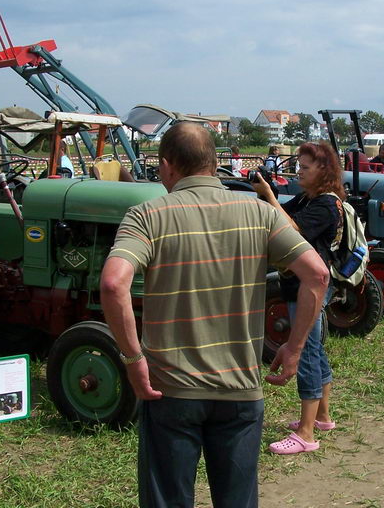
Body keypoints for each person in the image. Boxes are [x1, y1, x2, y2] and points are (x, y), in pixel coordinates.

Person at [100, 122, 328, 508]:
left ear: (168, 165)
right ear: (211, 161)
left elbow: (112, 284)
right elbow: (318, 274)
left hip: (170, 389)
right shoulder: (260, 213)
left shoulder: (147, 216)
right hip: (241, 389)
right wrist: (293, 348)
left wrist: (133, 358)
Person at [251, 141, 343, 455]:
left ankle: (305, 434)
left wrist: (270, 197)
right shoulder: (308, 197)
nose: (299, 172)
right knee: (316, 351)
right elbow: (277, 213)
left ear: (324, 170)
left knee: (305, 353)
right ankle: (322, 418)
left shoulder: (326, 205)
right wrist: (265, 194)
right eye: (299, 166)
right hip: (302, 284)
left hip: (308, 287)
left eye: (305, 167)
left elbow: (290, 228)